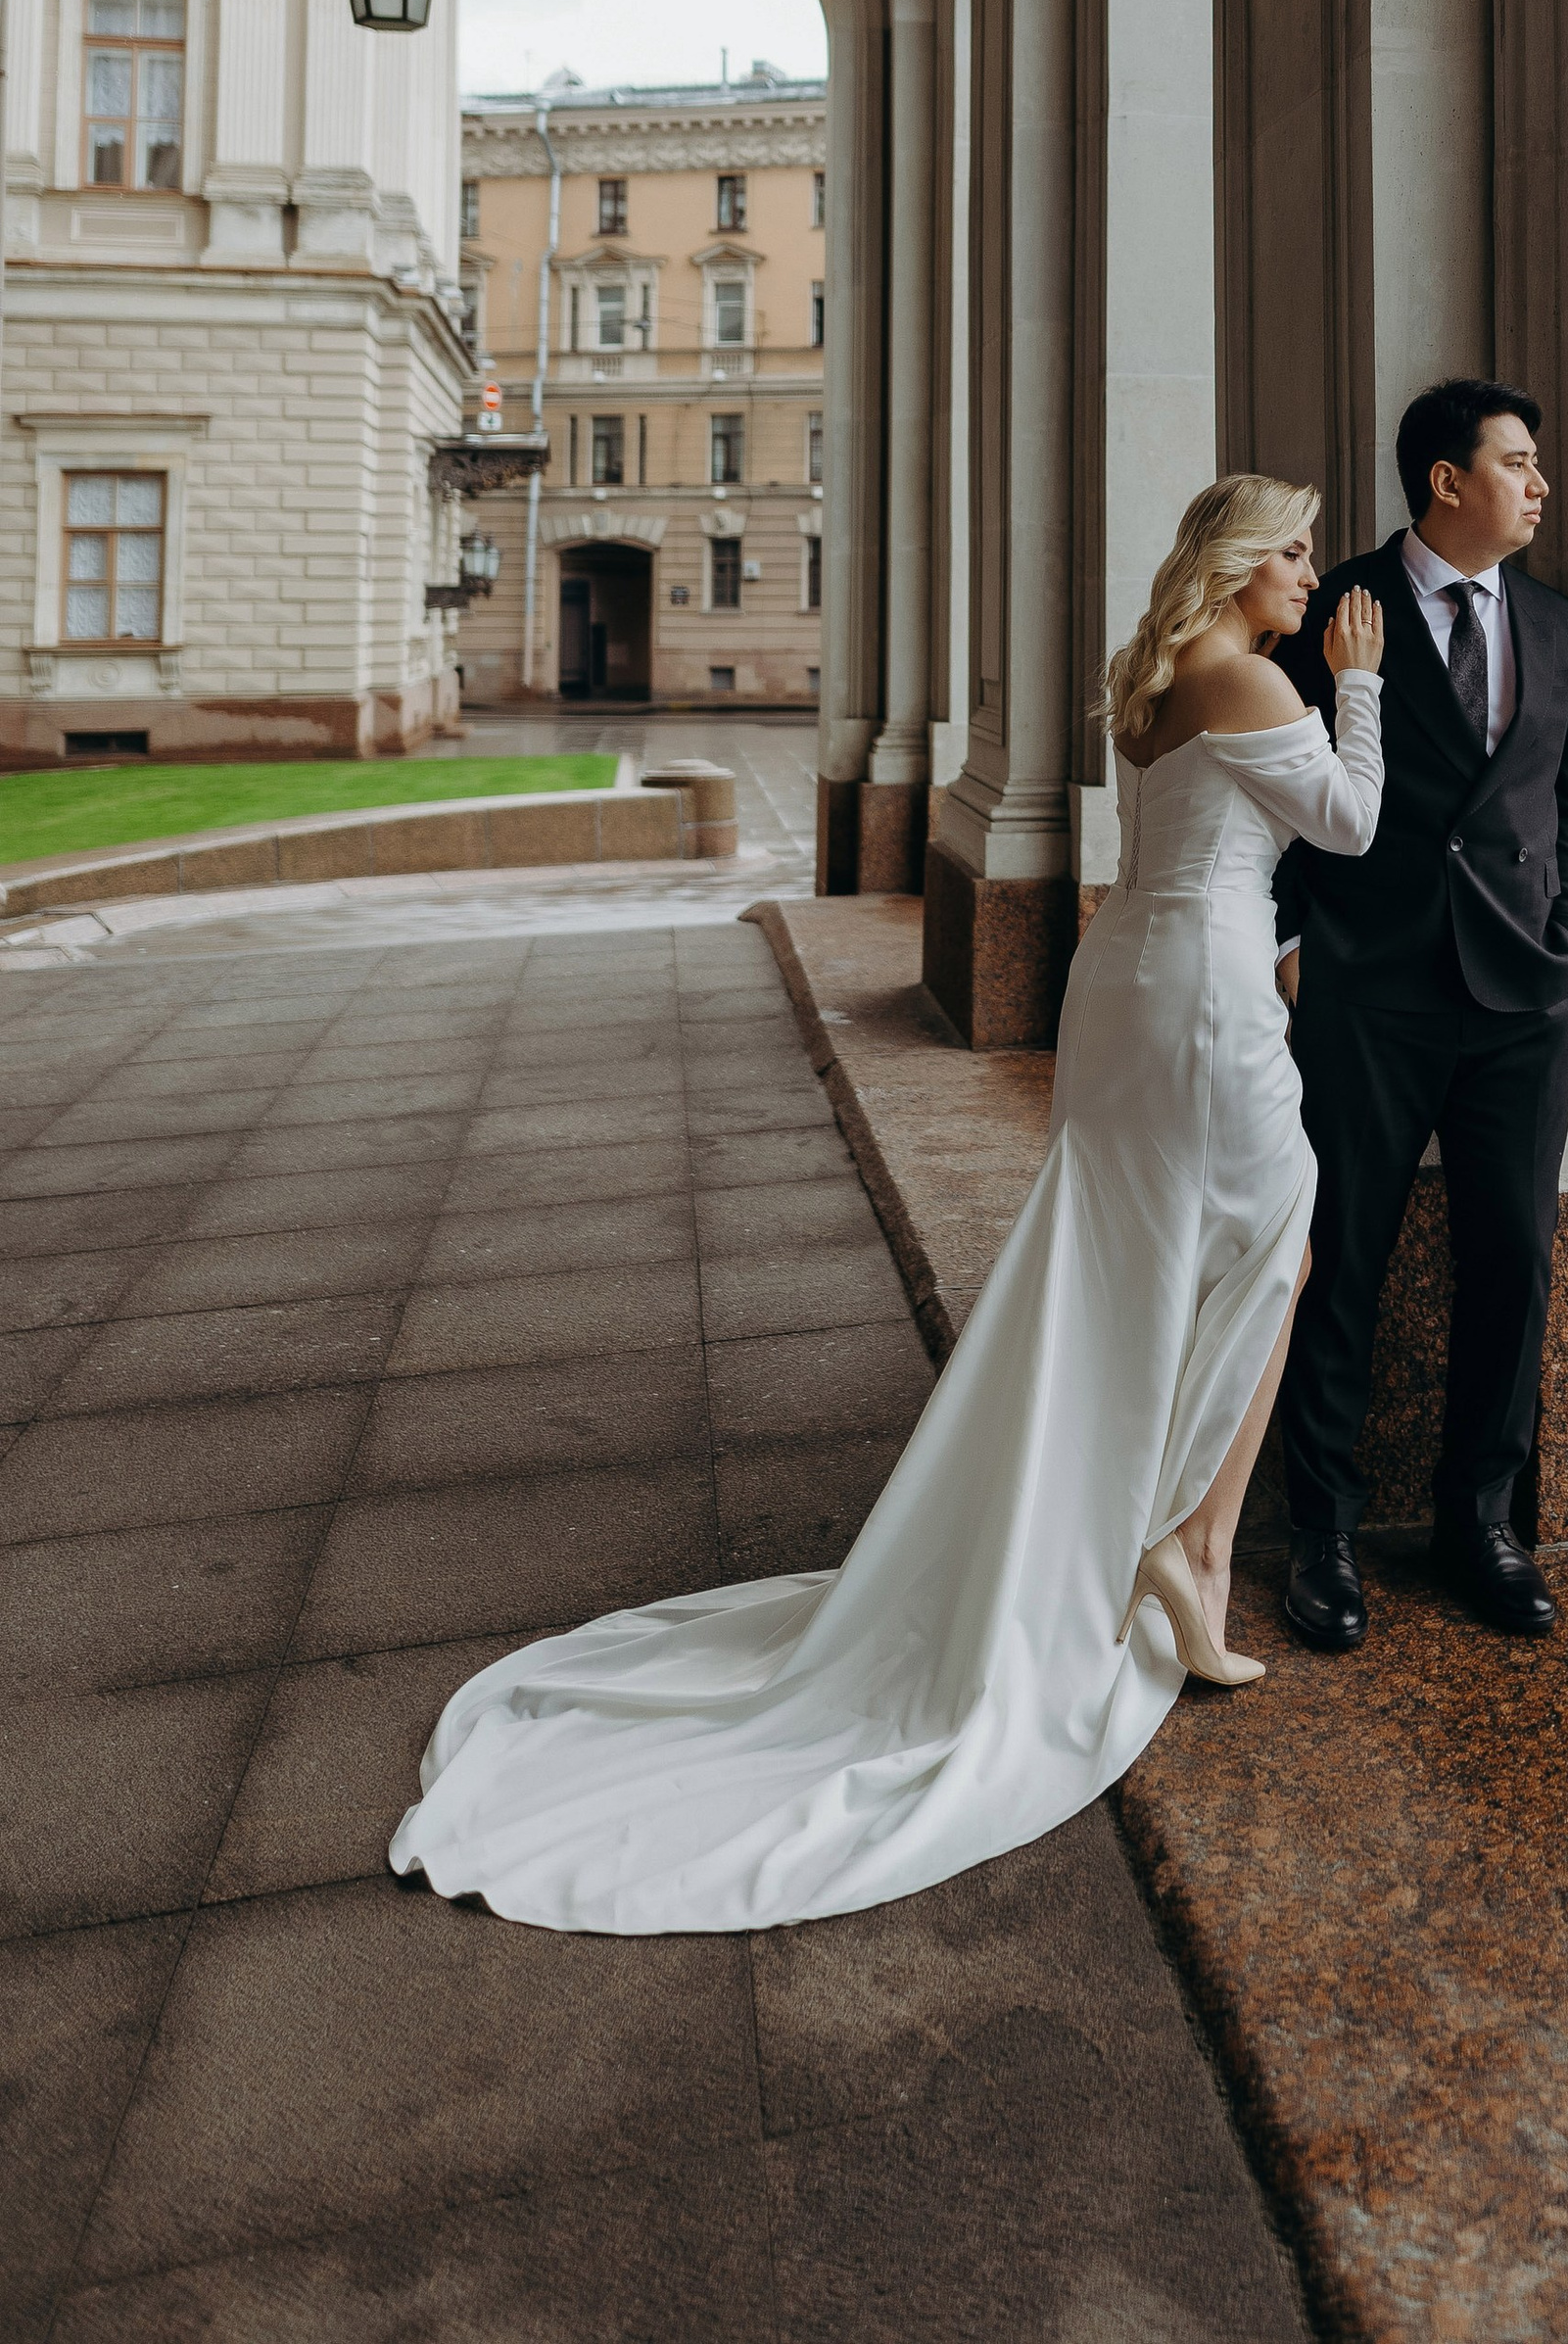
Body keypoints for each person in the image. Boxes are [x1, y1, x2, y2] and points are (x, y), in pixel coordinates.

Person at [388, 476, 1386, 1934]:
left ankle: (1184, 1541)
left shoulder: (1163, 675)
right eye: (1291, 552)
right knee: (1277, 1246)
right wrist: (1355, 688)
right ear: (1234, 568)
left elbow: (1203, 848)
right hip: (1202, 1010)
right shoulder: (1246, 672)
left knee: (1138, 1267)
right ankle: (1192, 1546)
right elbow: (1350, 824)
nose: (1312, 574)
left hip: (1132, 990)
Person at [1266, 378, 1568, 1652]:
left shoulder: (1561, 626)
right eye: (1517, 462)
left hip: (1524, 998)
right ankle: (1325, 1534)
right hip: (1370, 990)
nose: (1540, 483)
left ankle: (1483, 1523)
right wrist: (1296, 945)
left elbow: (1567, 804)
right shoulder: (1337, 605)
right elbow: (1284, 782)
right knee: (1344, 1258)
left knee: (1512, 1260)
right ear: (1446, 480)